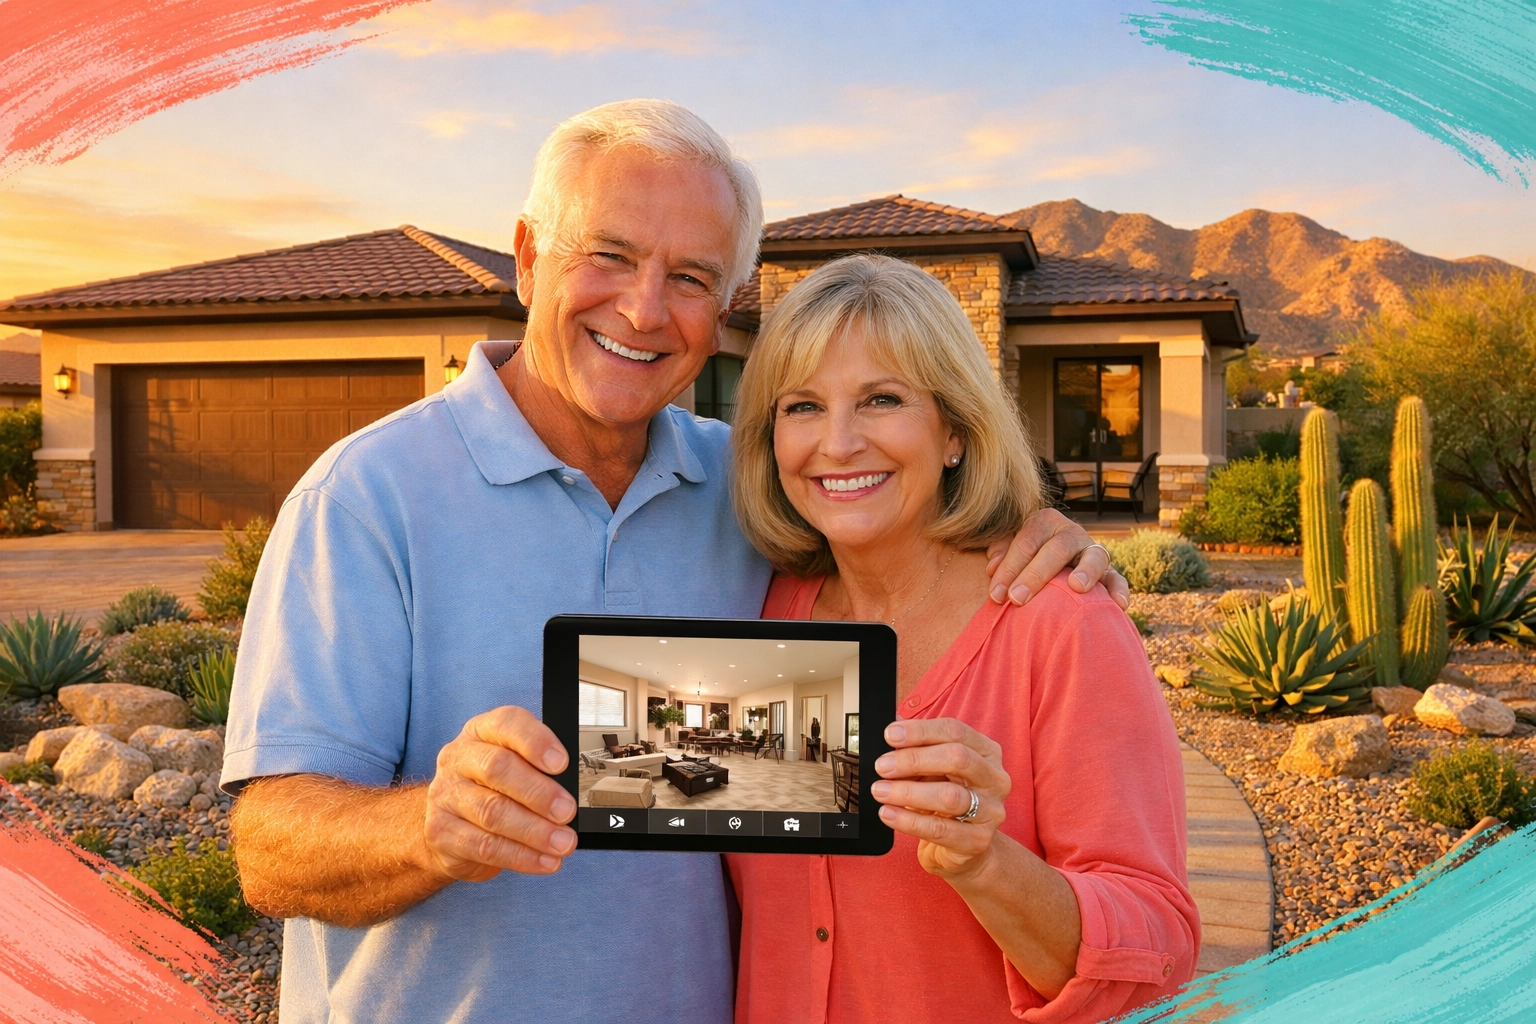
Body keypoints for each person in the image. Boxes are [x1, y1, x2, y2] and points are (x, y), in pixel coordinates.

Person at [223, 100, 1127, 1024]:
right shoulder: (365, 498)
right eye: (609, 255)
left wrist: (1043, 539)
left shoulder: (746, 491)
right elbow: (266, 847)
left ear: (723, 307)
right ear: (531, 259)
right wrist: (429, 827)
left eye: (690, 277)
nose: (644, 309)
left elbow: (897, 508)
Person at [727, 254, 1197, 1023]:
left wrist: (987, 863)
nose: (838, 443)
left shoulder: (1063, 626)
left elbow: (1159, 951)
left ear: (954, 432)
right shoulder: (762, 611)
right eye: (802, 407)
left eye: (882, 399)